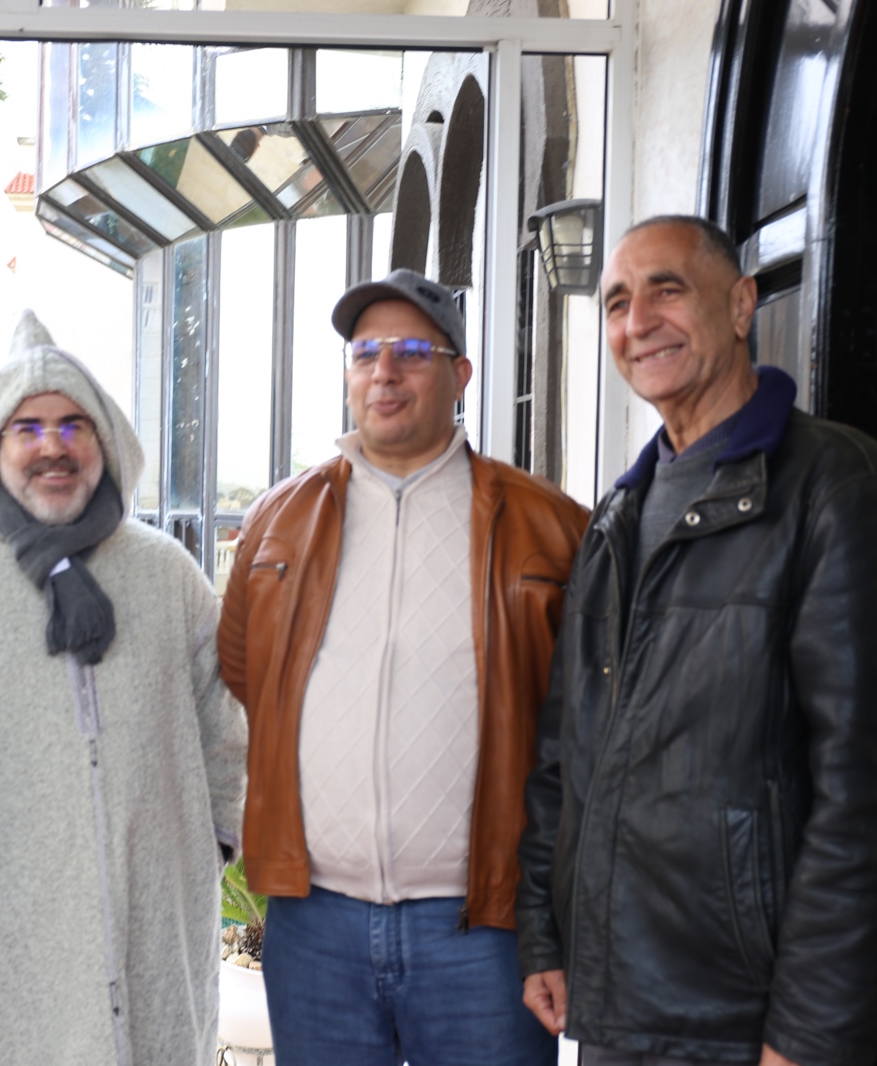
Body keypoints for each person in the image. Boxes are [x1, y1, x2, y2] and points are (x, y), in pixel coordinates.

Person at [516, 216, 877, 1066]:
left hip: (748, 1025)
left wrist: (811, 1033)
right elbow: (566, 756)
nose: (639, 322)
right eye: (616, 303)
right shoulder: (617, 516)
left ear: (742, 304)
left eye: (667, 290)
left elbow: (874, 801)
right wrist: (544, 934)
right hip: (617, 1013)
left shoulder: (836, 491)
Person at [218, 268, 588, 1065]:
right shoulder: (278, 521)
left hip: (483, 931)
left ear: (460, 375)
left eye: (413, 352)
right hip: (315, 927)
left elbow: (585, 724)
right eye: (365, 353)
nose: (384, 372)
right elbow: (247, 673)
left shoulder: (551, 526)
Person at [0, 321, 247, 1065]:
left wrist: (206, 846)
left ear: (106, 440)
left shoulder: (168, 578)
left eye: (74, 424)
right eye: (28, 428)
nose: (53, 446)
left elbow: (223, 730)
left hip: (147, 929)